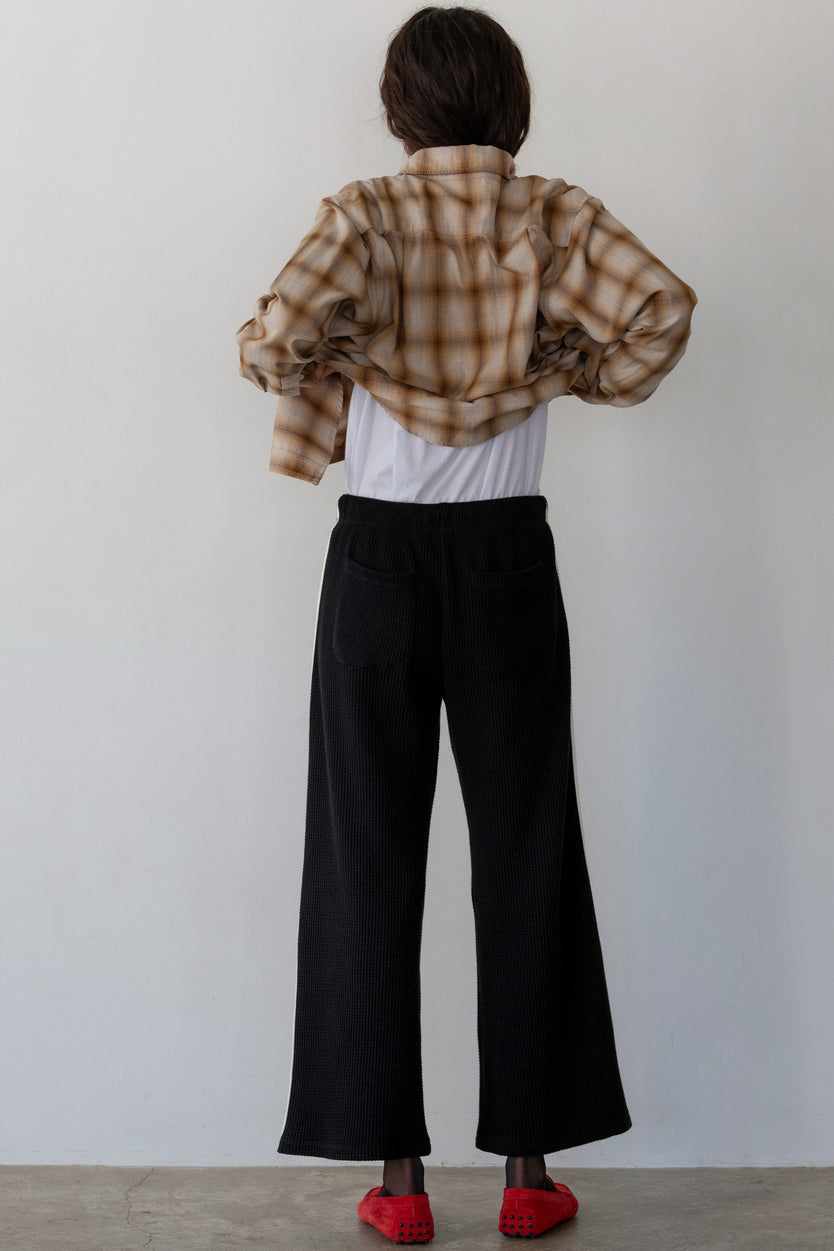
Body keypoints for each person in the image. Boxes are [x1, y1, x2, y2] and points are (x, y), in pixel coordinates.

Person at [235, 5, 697, 1243]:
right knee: (528, 850)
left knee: (365, 858)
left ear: (401, 111)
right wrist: (567, 371)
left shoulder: (365, 216)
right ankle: (530, 1175)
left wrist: (341, 354)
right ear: (512, 103)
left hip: (378, 561)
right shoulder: (553, 216)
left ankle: (397, 1185)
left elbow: (275, 340)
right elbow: (660, 312)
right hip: (506, 561)